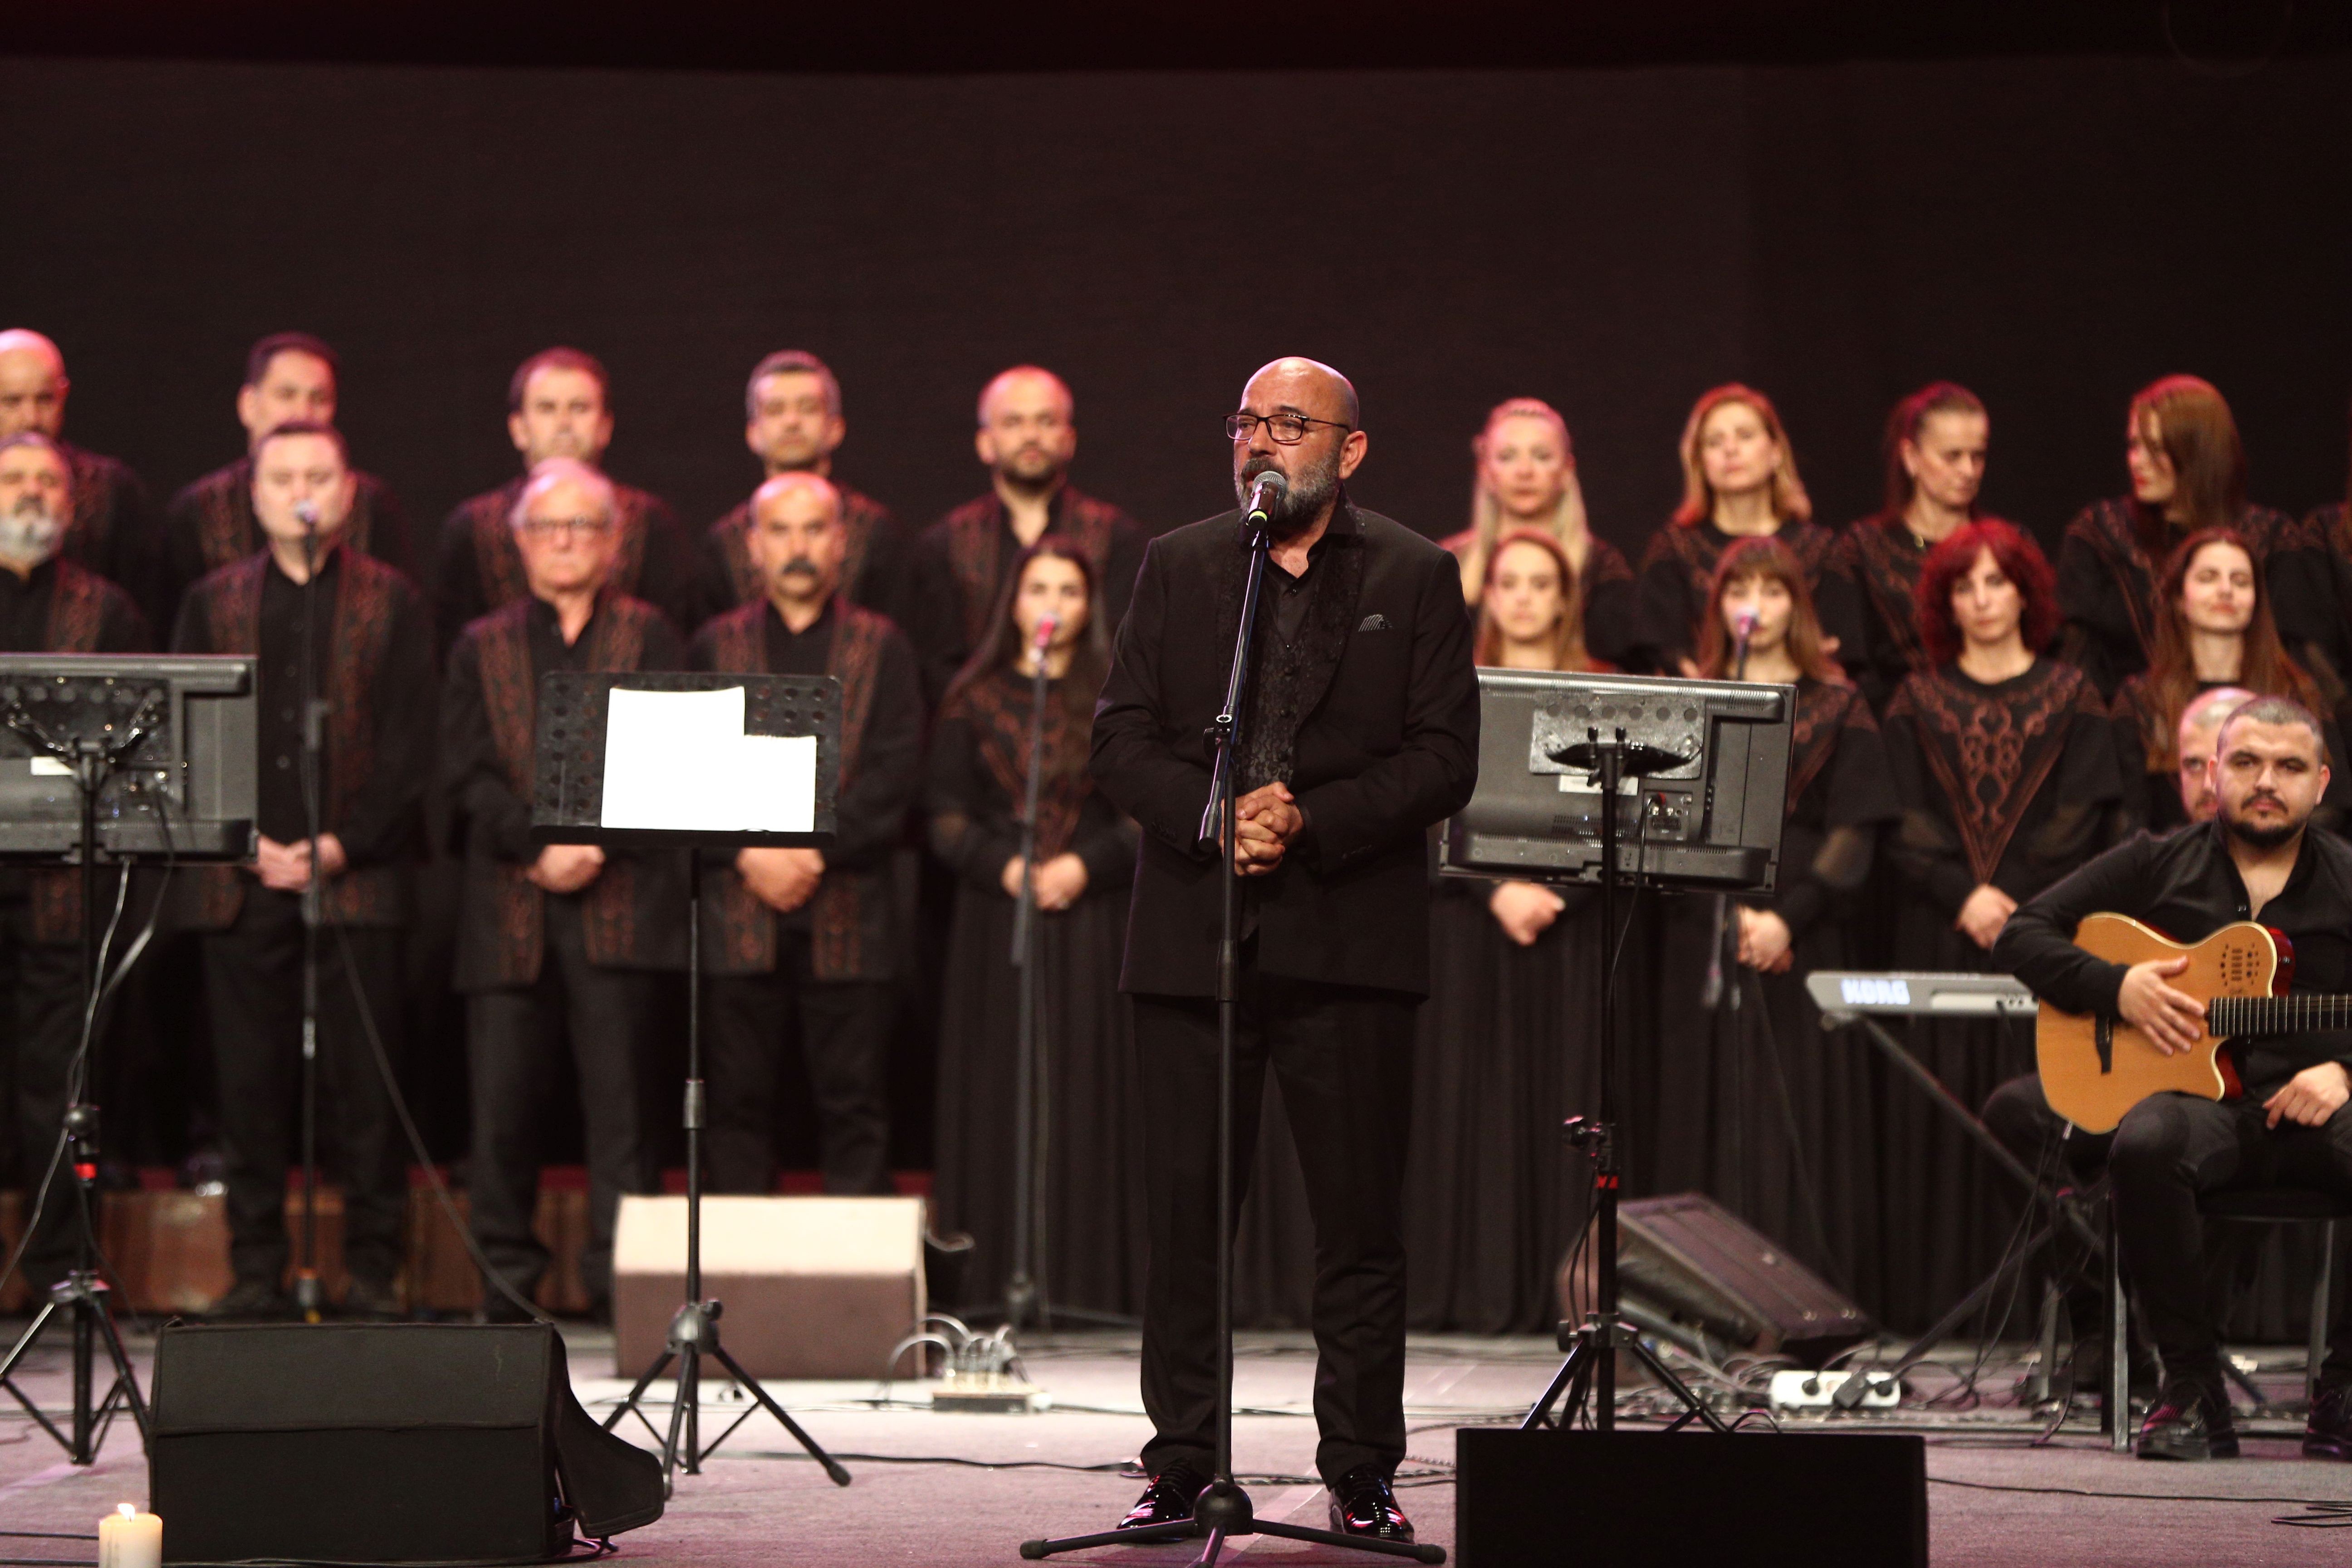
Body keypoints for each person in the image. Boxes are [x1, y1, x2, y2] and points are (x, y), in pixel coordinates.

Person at [1091, 357, 1478, 1544]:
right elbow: (1121, 741)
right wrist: (1216, 814)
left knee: (1358, 1228)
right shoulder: (1186, 560)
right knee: (1188, 1224)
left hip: (1349, 944)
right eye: (1250, 423)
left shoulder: (1414, 573)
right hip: (1195, 941)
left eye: (1290, 424)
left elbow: (1441, 758)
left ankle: (1360, 1470)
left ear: (1348, 451)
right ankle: (1181, 1466)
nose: (1263, 442)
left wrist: (1305, 819)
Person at [1995, 695, 2352, 1462]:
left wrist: (2344, 1071)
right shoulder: (2156, 860)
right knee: (2144, 1140)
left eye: (2288, 767)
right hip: (2200, 1108)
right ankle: (2189, 1388)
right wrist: (2113, 988)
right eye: (2246, 762)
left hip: (2317, 1113)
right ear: (2211, 773)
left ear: (2318, 783)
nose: (2266, 781)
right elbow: (2021, 930)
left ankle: (2343, 1391)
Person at [171, 421, 432, 1320]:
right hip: (243, 885)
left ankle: (373, 1269)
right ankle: (255, 1269)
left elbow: (410, 747)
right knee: (249, 1086)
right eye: (283, 477)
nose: (302, 491)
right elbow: (190, 739)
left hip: (355, 881)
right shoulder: (214, 601)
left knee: (367, 1092)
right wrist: (245, 845)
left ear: (349, 489)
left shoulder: (390, 602)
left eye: (318, 474)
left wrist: (338, 844)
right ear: (255, 493)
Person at [443, 457, 685, 1318]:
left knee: (624, 1118)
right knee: (501, 1119)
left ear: (613, 539)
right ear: (518, 543)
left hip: (622, 907)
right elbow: (465, 774)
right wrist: (541, 844)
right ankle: (505, 1288)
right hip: (510, 908)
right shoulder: (483, 641)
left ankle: (621, 1290)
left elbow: (669, 755)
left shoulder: (650, 633)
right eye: (548, 527)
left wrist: (594, 841)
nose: (565, 542)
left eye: (583, 525)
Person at [1645, 538, 1900, 1306]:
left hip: (1804, 934)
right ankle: (1704, 1295)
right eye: (1736, 589)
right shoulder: (1693, 702)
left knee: (1798, 1116)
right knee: (1711, 1107)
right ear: (1718, 608)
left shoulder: (1838, 703)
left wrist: (1784, 921)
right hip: (1708, 937)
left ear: (1797, 605)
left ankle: (1802, 1293)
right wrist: (1727, 924)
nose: (1753, 602)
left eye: (1771, 589)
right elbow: (1664, 825)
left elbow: (1856, 831)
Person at [1878, 519, 2119, 1328]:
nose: (1981, 600)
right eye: (1964, 585)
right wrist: (1963, 894)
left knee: (2039, 1119)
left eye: (1995, 581)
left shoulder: (2072, 694)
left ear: (2024, 591)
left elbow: (2084, 816)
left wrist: (2015, 902)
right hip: (1941, 929)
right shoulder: (1914, 699)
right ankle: (1951, 1312)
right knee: (1948, 1121)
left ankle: (2063, 1314)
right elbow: (1901, 821)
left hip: (2044, 940)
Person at [688, 473, 922, 1198]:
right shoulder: (712, 646)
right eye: (781, 531)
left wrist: (815, 850)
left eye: (814, 529)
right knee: (736, 1105)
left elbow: (895, 773)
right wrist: (749, 853)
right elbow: (689, 765)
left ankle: (857, 1293)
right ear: (753, 545)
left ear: (841, 542)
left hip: (849, 909)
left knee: (854, 1103)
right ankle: (738, 1279)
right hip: (738, 908)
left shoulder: (882, 646)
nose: (798, 546)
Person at [1406, 529, 1616, 1333]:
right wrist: (1495, 889)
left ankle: (1566, 1297)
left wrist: (1561, 888)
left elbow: (1629, 812)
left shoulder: (1603, 688)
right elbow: (1417, 802)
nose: (1524, 596)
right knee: (1479, 1102)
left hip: (1572, 929)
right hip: (1470, 929)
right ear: (1486, 596)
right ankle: (1476, 1289)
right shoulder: (1441, 686)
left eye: (1540, 582)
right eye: (1508, 583)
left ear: (1566, 598)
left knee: (1569, 1105)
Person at [928, 539, 1141, 1315]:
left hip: (1086, 915)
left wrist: (1083, 867)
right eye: (1036, 588)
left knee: (1082, 1089)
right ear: (1012, 603)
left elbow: (1144, 813)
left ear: (1089, 609)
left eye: (1068, 591)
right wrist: (1004, 867)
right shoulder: (973, 696)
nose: (1051, 602)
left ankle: (1080, 1283)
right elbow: (942, 816)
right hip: (998, 920)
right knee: (999, 1084)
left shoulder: (1114, 696)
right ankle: (992, 1286)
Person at [0, 433, 149, 1291]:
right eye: (14, 479)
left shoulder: (108, 609)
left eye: (45, 482)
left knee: (58, 1089)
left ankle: (58, 1268)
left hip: (63, 889)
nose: (30, 494)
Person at [2055, 375, 2324, 701]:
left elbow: (2290, 660)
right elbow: (2078, 664)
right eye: (2133, 445)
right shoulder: (2099, 534)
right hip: (2131, 729)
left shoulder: (2272, 538)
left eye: (2154, 449)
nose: (2137, 462)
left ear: (2198, 452)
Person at [435, 347, 701, 649]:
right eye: (547, 408)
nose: (564, 424)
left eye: (579, 408)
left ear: (605, 426)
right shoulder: (472, 527)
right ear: (518, 428)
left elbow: (675, 634)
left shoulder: (650, 523)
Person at [909, 366, 1148, 701]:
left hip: (1089, 725)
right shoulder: (943, 545)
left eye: (1046, 421)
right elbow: (936, 665)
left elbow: (1127, 656)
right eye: (1013, 423)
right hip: (977, 734)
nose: (1031, 435)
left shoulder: (1116, 539)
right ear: (985, 443)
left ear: (1069, 440)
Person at [2106, 529, 2346, 837]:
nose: (2226, 591)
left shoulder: (2296, 692)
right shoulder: (2142, 700)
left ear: (2257, 600)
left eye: (2240, 581)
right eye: (2208, 578)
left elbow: (2331, 804)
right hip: (2173, 874)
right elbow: (2128, 819)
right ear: (2180, 598)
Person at [163, 333, 411, 619]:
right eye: (286, 395)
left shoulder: (371, 504)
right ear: (249, 405)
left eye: (319, 398)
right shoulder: (199, 509)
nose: (303, 413)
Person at [1634, 382, 1843, 676]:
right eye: (1714, 442)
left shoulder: (1820, 549)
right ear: (1699, 461)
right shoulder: (1675, 548)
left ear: (1776, 452)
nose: (1730, 450)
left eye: (1745, 436)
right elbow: (1662, 647)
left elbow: (1835, 645)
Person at [701, 351, 914, 628]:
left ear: (835, 428)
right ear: (753, 433)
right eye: (776, 410)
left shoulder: (878, 534)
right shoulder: (726, 541)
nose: (792, 422)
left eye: (808, 408)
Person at [1823, 382, 1994, 711]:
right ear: (1911, 457)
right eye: (1952, 456)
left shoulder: (2002, 546)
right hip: (1893, 729)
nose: (1968, 471)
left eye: (1978, 456)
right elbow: (1855, 667)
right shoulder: (1863, 550)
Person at [1438, 398, 1636, 667]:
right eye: (1507, 457)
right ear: (1485, 471)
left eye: (1542, 456)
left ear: (1567, 470)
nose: (1524, 471)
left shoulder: (1602, 569)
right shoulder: (1447, 563)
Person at [0, 330, 154, 625]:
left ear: (64, 395)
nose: (30, 418)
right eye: (12, 402)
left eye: (44, 400)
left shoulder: (111, 489)